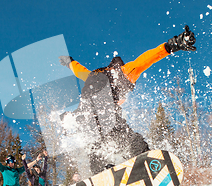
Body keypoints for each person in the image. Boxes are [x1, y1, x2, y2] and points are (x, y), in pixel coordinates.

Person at [59, 25, 196, 175]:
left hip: (84, 112)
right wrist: (173, 45)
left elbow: (79, 69)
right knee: (126, 137)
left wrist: (69, 62)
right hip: (102, 108)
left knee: (97, 145)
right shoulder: (125, 72)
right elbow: (145, 60)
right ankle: (147, 162)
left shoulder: (92, 74)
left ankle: (101, 174)